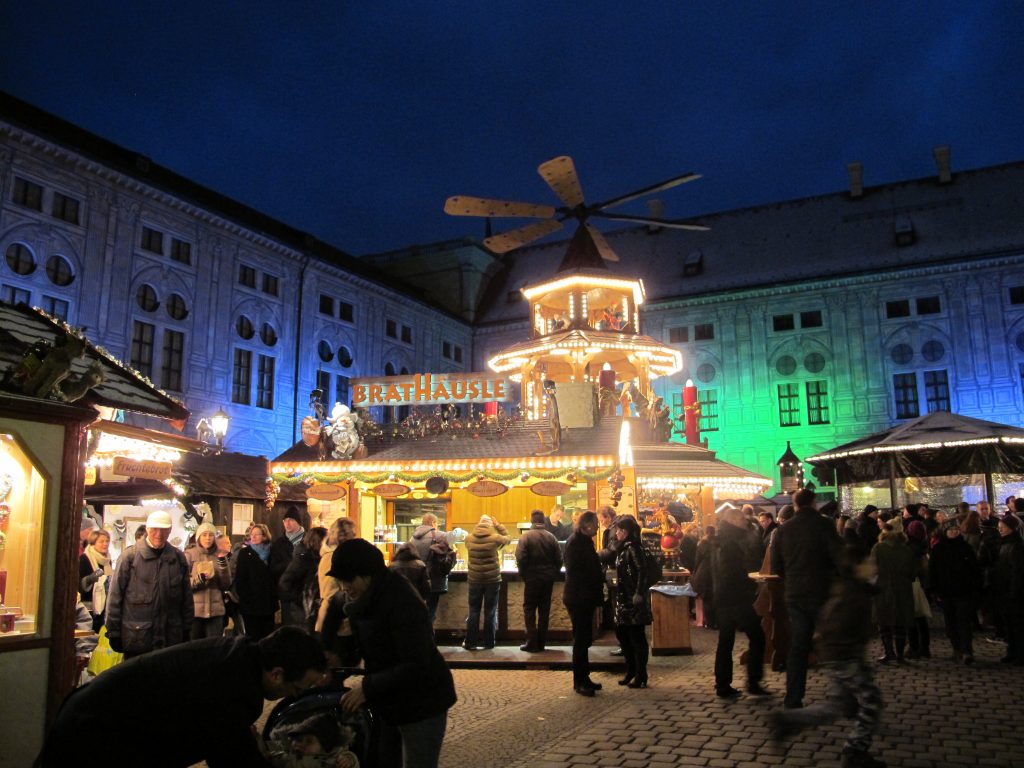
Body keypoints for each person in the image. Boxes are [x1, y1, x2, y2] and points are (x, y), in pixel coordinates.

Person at [35, 626, 328, 768]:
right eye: (296, 689)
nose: (292, 696)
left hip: (94, 718)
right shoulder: (233, 686)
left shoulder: (238, 658)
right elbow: (234, 761)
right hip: (95, 734)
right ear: (277, 673)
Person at [324, 538, 457, 768]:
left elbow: (416, 663)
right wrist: (327, 656)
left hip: (422, 702)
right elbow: (336, 609)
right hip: (390, 700)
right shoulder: (362, 597)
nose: (345, 587)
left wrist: (368, 687)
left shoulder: (401, 600)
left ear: (367, 574)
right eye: (340, 580)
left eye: (348, 580)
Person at [770, 549, 885, 768]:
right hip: (844, 657)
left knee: (836, 705)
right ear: (858, 567)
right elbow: (838, 627)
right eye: (868, 562)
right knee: (872, 702)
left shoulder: (852, 588)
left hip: (840, 656)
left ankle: (788, 720)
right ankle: (855, 750)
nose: (873, 566)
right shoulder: (851, 592)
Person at [772, 488, 842, 709]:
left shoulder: (784, 530)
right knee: (832, 642)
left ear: (794, 505)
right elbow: (839, 557)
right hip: (823, 592)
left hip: (796, 594)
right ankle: (842, 695)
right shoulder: (824, 525)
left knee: (799, 646)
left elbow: (776, 566)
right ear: (813, 503)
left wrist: (792, 578)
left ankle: (793, 697)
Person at [105, 510, 192, 658]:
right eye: (154, 529)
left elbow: (186, 598)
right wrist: (114, 631)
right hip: (137, 638)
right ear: (147, 529)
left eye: (164, 530)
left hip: (170, 637)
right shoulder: (129, 557)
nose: (159, 534)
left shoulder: (177, 558)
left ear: (170, 531)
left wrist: (187, 628)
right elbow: (115, 596)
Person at [712, 506, 768, 698]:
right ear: (735, 521)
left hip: (723, 597)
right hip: (735, 598)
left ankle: (723, 684)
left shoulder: (721, 540)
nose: (746, 522)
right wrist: (750, 584)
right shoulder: (731, 543)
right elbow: (732, 573)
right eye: (743, 520)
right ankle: (752, 681)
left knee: (726, 641)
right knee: (757, 637)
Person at [562, 510, 604, 696]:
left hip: (584, 597)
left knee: (584, 639)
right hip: (579, 598)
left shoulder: (583, 541)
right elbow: (577, 571)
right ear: (587, 525)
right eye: (596, 523)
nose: (598, 526)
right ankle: (579, 681)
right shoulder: (576, 543)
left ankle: (584, 678)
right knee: (580, 640)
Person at [929, 518, 983, 664]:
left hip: (964, 592)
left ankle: (966, 650)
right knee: (951, 622)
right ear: (945, 532)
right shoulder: (938, 549)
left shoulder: (965, 547)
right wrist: (934, 589)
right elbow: (933, 571)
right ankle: (957, 648)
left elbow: (975, 569)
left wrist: (975, 587)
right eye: (950, 530)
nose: (953, 532)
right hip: (946, 592)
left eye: (955, 530)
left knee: (963, 621)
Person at [870, 521, 919, 664]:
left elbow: (871, 569)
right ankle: (900, 655)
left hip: (882, 588)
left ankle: (889, 652)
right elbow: (913, 572)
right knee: (900, 622)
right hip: (902, 588)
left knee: (883, 621)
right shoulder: (906, 549)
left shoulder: (878, 548)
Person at [612, 515, 652, 689]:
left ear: (626, 532)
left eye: (620, 530)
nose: (617, 533)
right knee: (623, 634)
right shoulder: (623, 548)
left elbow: (642, 570)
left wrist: (638, 592)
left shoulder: (634, 548)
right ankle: (631, 670)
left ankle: (640, 674)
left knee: (636, 637)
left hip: (633, 600)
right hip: (624, 598)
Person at [515, 509, 562, 652]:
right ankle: (541, 642)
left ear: (532, 521)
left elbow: (520, 558)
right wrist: (553, 573)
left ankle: (531, 641)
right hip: (547, 579)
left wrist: (524, 574)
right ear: (543, 521)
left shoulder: (525, 537)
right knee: (544, 610)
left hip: (532, 579)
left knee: (529, 609)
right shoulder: (551, 537)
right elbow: (559, 559)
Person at [463, 514, 510, 650]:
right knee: (490, 611)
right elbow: (508, 539)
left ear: (479, 523)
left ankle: (471, 643)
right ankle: (489, 643)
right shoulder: (495, 538)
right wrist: (499, 526)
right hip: (492, 580)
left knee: (473, 610)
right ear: (490, 525)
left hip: (474, 579)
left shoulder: (469, 538)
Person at [184, 521, 232, 640]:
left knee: (214, 648)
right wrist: (198, 580)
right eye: (204, 535)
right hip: (195, 612)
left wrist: (222, 564)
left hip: (216, 612)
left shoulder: (220, 555)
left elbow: (226, 584)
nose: (207, 538)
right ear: (198, 537)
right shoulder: (189, 555)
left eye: (210, 535)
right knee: (195, 649)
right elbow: (183, 583)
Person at [408, 512, 455, 626]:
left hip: (416, 578)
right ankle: (428, 639)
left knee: (417, 611)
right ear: (433, 523)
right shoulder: (439, 535)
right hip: (433, 578)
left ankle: (418, 639)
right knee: (431, 611)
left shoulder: (412, 538)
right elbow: (449, 558)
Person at [235, 523, 279, 640]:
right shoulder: (244, 553)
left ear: (264, 536)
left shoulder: (272, 552)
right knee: (252, 637)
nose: (253, 537)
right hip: (251, 604)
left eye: (257, 534)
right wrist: (245, 597)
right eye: (251, 534)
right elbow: (239, 578)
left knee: (268, 637)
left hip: (268, 603)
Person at [280, 525, 328, 632]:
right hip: (302, 612)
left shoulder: (318, 557)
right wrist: (301, 599)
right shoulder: (303, 559)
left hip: (312, 609)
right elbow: (285, 582)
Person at [992, 512, 1024, 664]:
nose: (1001, 529)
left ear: (1011, 528)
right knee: (1009, 624)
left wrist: (1013, 590)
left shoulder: (1016, 546)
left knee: (1017, 624)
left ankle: (1019, 653)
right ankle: (1012, 651)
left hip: (1013, 591)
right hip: (1003, 589)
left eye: (1003, 527)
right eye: (999, 527)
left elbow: (1017, 571)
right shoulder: (1004, 543)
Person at [316, 517, 357, 632]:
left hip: (343, 617)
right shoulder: (331, 557)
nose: (354, 537)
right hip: (336, 622)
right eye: (351, 534)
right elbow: (329, 592)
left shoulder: (343, 555)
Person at [272, 506, 306, 626]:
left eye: (291, 520)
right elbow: (273, 568)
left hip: (305, 591)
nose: (287, 523)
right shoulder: (279, 543)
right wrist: (290, 564)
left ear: (298, 522)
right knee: (289, 626)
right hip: (287, 592)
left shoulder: (308, 540)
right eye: (285, 520)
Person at [78, 529, 112, 631]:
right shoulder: (84, 558)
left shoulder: (107, 561)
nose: (105, 544)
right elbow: (79, 584)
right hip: (88, 608)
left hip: (103, 608)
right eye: (101, 541)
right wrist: (92, 578)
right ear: (93, 543)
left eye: (107, 541)